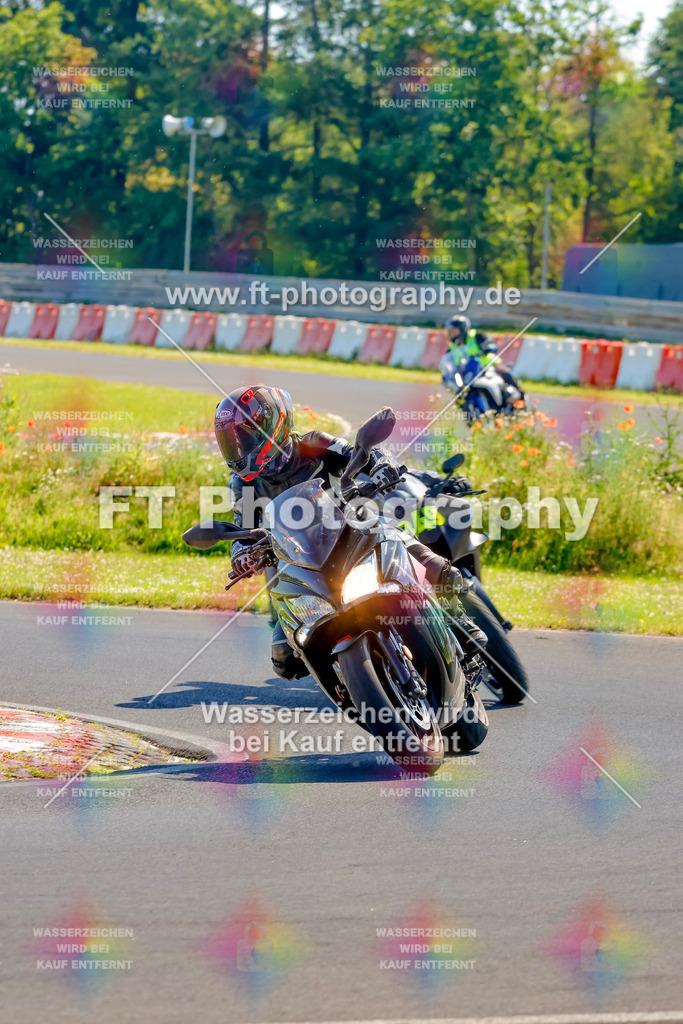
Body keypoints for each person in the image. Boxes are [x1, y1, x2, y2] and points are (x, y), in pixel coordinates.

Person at [214, 384, 486, 679]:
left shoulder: (314, 444)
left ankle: (460, 621)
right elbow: (243, 529)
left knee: (412, 550)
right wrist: (242, 554)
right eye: (231, 442)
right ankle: (348, 681)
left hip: (354, 533)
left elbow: (360, 454)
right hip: (303, 561)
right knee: (284, 657)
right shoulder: (243, 483)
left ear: (273, 426)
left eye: (244, 437)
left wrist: (382, 465)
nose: (239, 449)